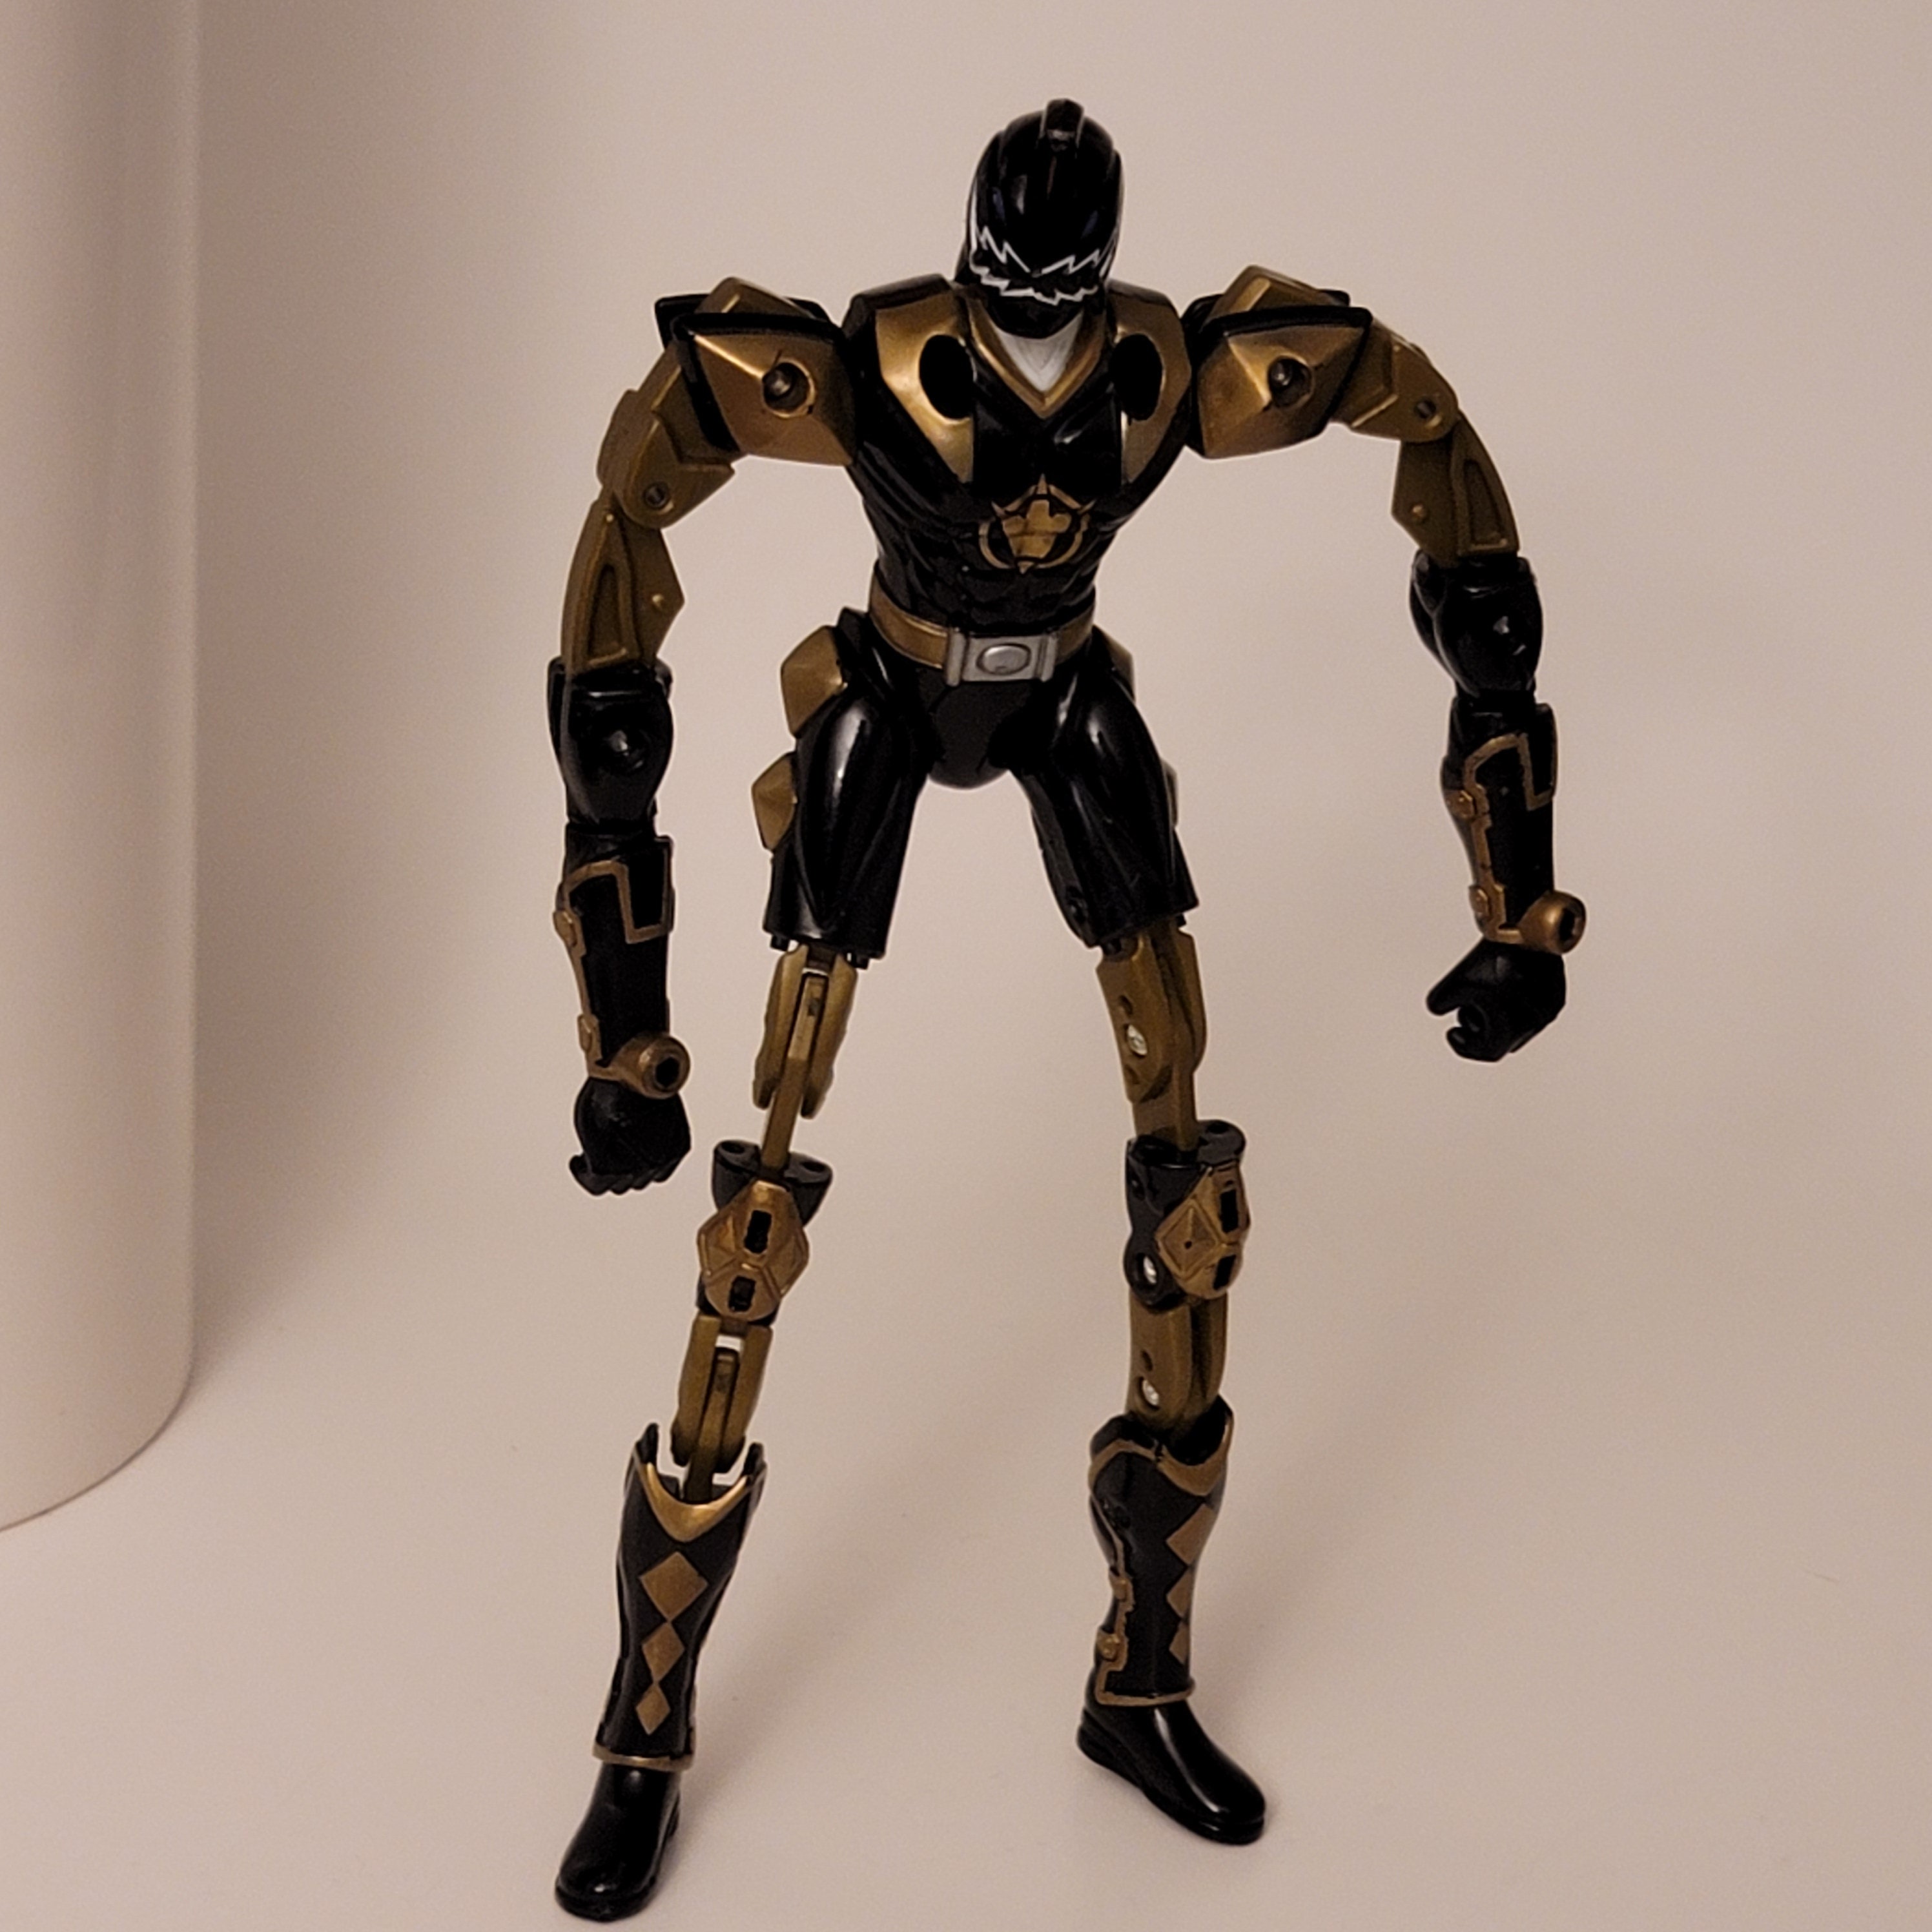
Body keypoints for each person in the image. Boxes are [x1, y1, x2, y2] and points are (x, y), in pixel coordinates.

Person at [546, 98, 1583, 1919]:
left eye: (1060, 291)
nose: (1033, 319)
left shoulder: (1165, 371)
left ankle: (1143, 1681)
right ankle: (646, 1732)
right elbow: (620, 599)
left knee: (1189, 1185)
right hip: (889, 695)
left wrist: (1517, 893)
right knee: (758, 1206)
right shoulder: (869, 363)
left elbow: (1425, 440)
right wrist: (625, 1033)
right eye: (1009, 286)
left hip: (1068, 699)